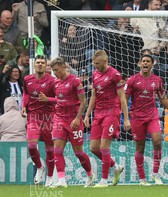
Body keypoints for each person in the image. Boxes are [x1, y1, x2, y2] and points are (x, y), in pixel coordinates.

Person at [126, 54, 168, 186]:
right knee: (140, 147)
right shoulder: (132, 80)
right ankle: (142, 179)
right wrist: (125, 118)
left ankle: (155, 174)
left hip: (152, 115)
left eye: (148, 61)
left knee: (157, 141)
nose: (145, 63)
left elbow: (163, 99)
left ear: (152, 64)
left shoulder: (157, 80)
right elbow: (124, 98)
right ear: (140, 64)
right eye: (143, 61)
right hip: (137, 117)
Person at [83, 50, 129, 188]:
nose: (95, 66)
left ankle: (103, 180)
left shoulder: (115, 75)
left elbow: (122, 97)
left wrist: (126, 119)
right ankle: (115, 167)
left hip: (112, 112)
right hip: (98, 113)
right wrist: (87, 114)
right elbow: (93, 96)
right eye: (94, 63)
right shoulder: (95, 74)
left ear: (105, 61)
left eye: (97, 64)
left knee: (104, 146)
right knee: (93, 148)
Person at [47, 57, 95, 188]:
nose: (54, 73)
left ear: (63, 67)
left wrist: (78, 118)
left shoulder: (75, 81)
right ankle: (62, 180)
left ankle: (90, 175)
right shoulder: (55, 83)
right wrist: (48, 99)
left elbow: (84, 101)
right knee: (57, 150)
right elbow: (59, 99)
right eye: (52, 70)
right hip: (59, 119)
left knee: (78, 153)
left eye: (56, 70)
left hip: (74, 120)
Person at [21, 56, 55, 186]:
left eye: (42, 63)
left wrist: (49, 100)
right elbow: (26, 93)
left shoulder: (52, 81)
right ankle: (40, 167)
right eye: (38, 62)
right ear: (34, 65)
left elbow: (59, 98)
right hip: (33, 116)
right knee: (31, 145)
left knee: (49, 150)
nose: (40, 64)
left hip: (48, 117)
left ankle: (50, 177)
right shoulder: (27, 79)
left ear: (46, 65)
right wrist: (24, 106)